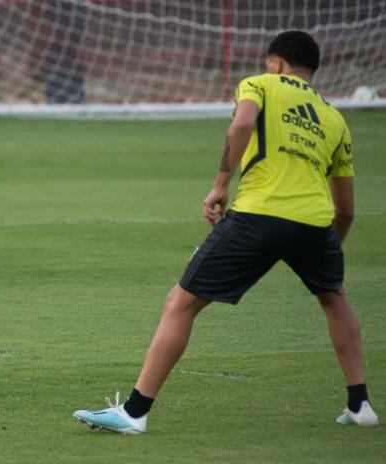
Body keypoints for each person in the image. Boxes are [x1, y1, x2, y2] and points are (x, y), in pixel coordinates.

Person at [73, 30, 379, 433]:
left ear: (277, 64)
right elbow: (348, 208)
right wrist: (324, 250)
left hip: (258, 214)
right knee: (334, 299)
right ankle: (360, 406)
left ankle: (134, 413)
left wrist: (220, 182)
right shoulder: (335, 118)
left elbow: (243, 124)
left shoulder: (261, 83)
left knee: (181, 303)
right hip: (316, 222)